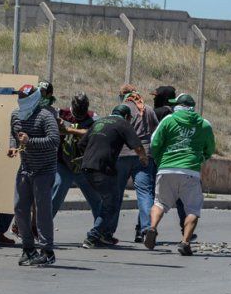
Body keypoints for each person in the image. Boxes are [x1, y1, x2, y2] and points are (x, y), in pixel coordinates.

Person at [144, 94, 215, 256]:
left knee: (159, 202)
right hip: (190, 171)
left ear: (179, 105)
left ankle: (153, 227)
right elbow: (210, 148)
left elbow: (155, 142)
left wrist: (159, 159)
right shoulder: (204, 124)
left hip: (166, 168)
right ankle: (185, 242)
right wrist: (201, 158)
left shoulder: (168, 120)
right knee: (193, 209)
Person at [79, 105, 146, 248]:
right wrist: (144, 158)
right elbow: (138, 146)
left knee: (107, 201)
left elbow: (82, 143)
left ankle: (105, 234)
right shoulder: (123, 124)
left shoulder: (99, 122)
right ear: (127, 117)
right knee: (112, 203)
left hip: (86, 168)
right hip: (102, 169)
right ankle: (93, 235)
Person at [10, 84, 60, 267]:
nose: (21, 100)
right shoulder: (16, 115)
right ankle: (28, 248)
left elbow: (54, 141)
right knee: (20, 208)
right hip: (25, 168)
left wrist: (30, 141)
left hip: (44, 170)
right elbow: (13, 133)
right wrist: (13, 146)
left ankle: (47, 251)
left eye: (24, 98)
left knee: (42, 210)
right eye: (19, 97)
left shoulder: (46, 116)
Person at [111, 85, 159, 244]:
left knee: (116, 195)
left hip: (122, 154)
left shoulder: (120, 109)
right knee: (145, 194)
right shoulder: (148, 110)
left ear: (123, 95)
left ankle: (108, 230)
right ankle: (147, 229)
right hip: (144, 155)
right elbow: (156, 133)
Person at [52, 93, 102, 218]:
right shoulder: (61, 114)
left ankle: (101, 231)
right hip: (63, 164)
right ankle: (39, 228)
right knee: (55, 197)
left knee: (97, 200)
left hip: (83, 165)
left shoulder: (93, 117)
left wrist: (68, 130)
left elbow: (93, 133)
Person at [151, 86, 192, 238]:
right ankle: (185, 228)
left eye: (156, 96)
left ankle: (145, 228)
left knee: (155, 197)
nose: (154, 99)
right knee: (182, 197)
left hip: (162, 161)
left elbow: (155, 139)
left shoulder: (163, 114)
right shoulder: (177, 114)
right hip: (179, 163)